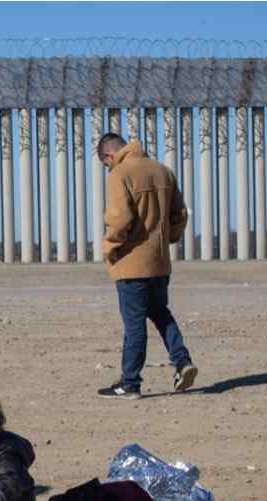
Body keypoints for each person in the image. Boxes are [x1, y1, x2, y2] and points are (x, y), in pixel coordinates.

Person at [95, 132, 198, 398]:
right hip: (160, 262)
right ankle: (183, 361)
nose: (108, 167)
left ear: (109, 156)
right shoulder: (163, 171)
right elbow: (181, 214)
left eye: (106, 163)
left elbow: (119, 220)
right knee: (161, 314)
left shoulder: (119, 174)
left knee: (134, 324)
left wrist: (109, 249)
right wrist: (170, 238)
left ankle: (130, 383)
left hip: (132, 264)